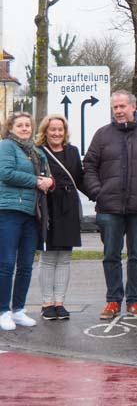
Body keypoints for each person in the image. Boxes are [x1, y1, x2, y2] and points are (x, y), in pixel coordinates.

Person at [84, 91, 137, 320]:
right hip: (109, 207)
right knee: (111, 255)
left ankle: (134, 301)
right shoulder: (102, 135)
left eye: (122, 106)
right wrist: (97, 193)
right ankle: (112, 300)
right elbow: (89, 166)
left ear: (133, 106)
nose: (119, 111)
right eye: (115, 107)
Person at [0, 112, 54, 331]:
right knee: (6, 264)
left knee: (25, 265)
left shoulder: (36, 151)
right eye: (19, 125)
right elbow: (5, 173)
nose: (24, 128)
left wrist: (49, 181)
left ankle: (19, 310)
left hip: (33, 213)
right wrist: (37, 181)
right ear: (10, 128)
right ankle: (3, 310)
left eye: (27, 125)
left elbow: (46, 177)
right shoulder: (6, 146)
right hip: (9, 211)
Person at [36, 115, 84, 321]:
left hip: (69, 207)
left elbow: (80, 179)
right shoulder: (38, 153)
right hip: (48, 207)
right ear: (45, 131)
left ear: (65, 132)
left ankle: (59, 302)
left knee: (64, 257)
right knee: (48, 257)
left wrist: (102, 196)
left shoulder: (73, 151)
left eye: (60, 129)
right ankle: (47, 303)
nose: (56, 133)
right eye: (52, 129)